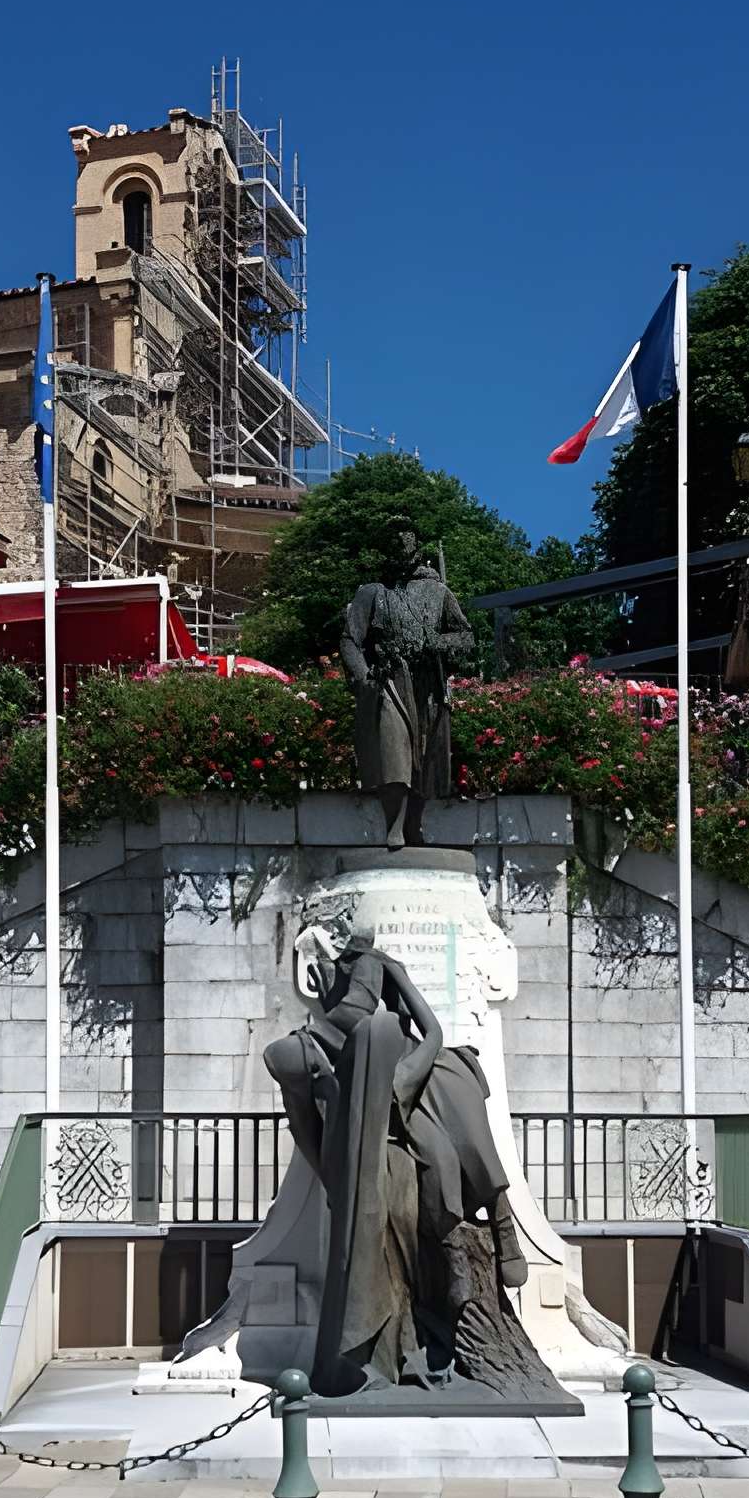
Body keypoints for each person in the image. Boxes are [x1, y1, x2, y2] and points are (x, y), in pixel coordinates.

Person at [264, 916, 527, 1394]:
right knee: (432, 1158)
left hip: (415, 1067)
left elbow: (433, 1031)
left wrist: (407, 1077)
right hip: (376, 1100)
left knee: (456, 1124)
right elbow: (306, 1127)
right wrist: (335, 1182)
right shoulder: (309, 1043)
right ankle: (441, 1273)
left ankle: (503, 1222)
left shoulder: (381, 967)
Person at [340, 522, 475, 849]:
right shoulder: (373, 592)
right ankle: (395, 824)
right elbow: (350, 639)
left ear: (417, 548)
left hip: (427, 683)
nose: (401, 549)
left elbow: (466, 637)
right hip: (389, 679)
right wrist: (364, 677)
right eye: (394, 544)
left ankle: (414, 824)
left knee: (424, 759)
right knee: (394, 749)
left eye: (406, 543)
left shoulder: (438, 592)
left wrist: (438, 643)